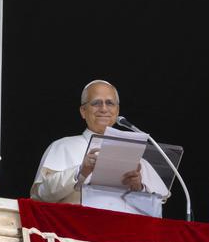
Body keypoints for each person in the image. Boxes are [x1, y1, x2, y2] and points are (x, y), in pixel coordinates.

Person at [30, 80, 168, 204]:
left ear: (117, 110)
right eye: (96, 103)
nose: (103, 108)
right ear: (83, 111)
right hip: (75, 228)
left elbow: (159, 202)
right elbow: (41, 195)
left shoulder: (135, 156)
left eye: (110, 103)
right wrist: (80, 172)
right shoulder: (63, 146)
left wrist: (139, 187)